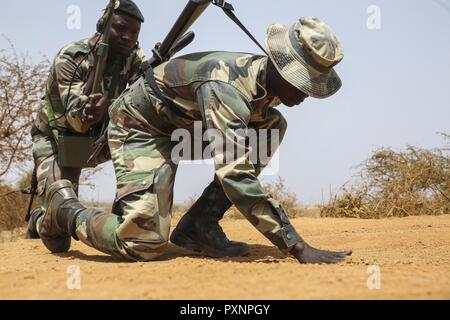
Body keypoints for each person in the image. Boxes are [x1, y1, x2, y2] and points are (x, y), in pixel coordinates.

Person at [38, 16, 352, 263]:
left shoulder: (262, 91)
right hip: (141, 126)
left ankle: (199, 226)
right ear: (282, 67)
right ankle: (63, 209)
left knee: (272, 126)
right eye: (303, 82)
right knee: (141, 243)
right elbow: (235, 173)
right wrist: (295, 245)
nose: (306, 93)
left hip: (179, 127)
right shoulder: (226, 88)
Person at [26, 0, 146, 242]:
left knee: (144, 134)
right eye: (121, 28)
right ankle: (40, 219)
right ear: (103, 24)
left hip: (100, 140)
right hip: (57, 141)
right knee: (60, 219)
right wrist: (90, 111)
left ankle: (128, 209)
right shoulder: (71, 56)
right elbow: (77, 123)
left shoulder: (133, 58)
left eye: (134, 33)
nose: (128, 37)